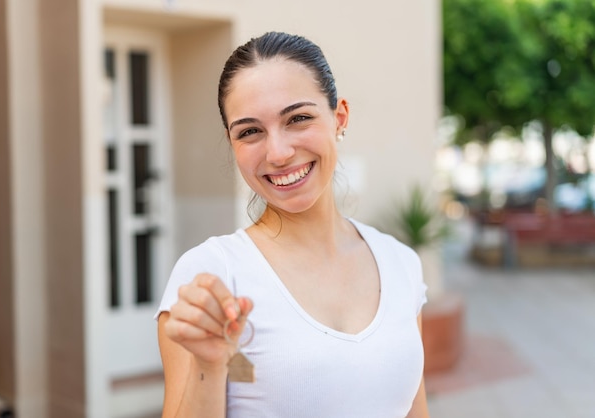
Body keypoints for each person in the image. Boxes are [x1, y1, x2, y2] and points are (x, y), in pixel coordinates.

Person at [155, 31, 430, 418]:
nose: (279, 153)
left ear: (339, 118)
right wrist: (209, 364)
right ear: (232, 143)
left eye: (298, 118)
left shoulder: (401, 263)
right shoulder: (214, 276)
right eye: (250, 132)